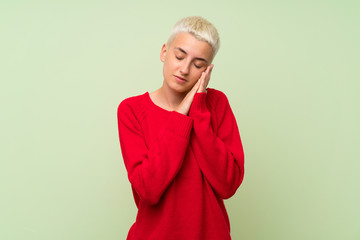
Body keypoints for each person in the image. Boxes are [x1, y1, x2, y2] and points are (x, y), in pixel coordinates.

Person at [117, 16, 245, 240]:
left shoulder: (216, 105)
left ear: (207, 71)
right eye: (179, 56)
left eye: (198, 64)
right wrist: (180, 115)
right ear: (164, 52)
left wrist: (198, 109)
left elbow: (228, 184)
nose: (184, 69)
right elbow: (148, 188)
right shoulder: (132, 110)